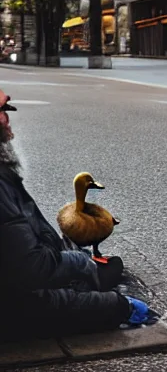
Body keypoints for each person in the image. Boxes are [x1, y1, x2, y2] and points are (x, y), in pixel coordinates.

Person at [0, 90, 151, 340]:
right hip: (14, 305)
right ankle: (92, 278)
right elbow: (29, 272)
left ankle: (88, 273)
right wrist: (78, 263)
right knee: (117, 305)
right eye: (3, 111)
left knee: (109, 269)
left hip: (21, 282)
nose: (7, 119)